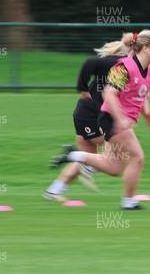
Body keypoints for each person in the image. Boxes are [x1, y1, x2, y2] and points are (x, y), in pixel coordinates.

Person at [49, 30, 150, 210]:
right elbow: (108, 93)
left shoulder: (148, 71)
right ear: (145, 48)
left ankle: (72, 155)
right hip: (110, 120)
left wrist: (147, 113)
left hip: (121, 121)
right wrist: (120, 119)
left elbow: (143, 92)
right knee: (138, 157)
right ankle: (129, 203)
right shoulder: (123, 67)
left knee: (114, 167)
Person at [43, 40, 129, 201]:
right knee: (114, 155)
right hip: (90, 118)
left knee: (87, 159)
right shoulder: (118, 63)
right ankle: (75, 157)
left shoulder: (124, 69)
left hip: (85, 116)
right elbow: (90, 62)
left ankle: (53, 191)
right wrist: (82, 87)